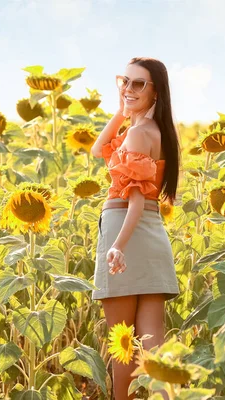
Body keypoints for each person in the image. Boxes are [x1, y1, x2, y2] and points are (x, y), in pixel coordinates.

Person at [90, 57, 181, 400]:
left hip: (126, 232)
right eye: (124, 81)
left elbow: (136, 200)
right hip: (152, 234)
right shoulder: (150, 131)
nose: (128, 89)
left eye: (138, 84)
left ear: (156, 92)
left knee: (123, 345)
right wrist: (122, 111)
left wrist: (118, 245)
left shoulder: (140, 135)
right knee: (152, 342)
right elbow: (99, 148)